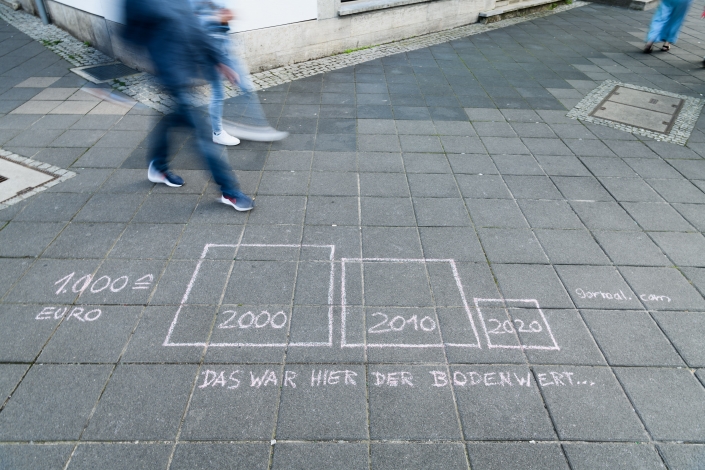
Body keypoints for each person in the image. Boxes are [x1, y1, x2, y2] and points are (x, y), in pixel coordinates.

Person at [122, 0, 254, 211]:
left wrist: (220, 61)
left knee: (170, 118)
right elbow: (130, 34)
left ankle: (157, 166)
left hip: (185, 72)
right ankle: (229, 191)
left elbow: (194, 28)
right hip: (169, 74)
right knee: (202, 133)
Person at [192, 0, 288, 145]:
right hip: (210, 51)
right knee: (218, 92)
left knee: (245, 87)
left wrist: (224, 16)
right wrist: (216, 17)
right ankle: (218, 132)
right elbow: (193, 22)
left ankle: (258, 126)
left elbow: (227, 15)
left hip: (224, 47)